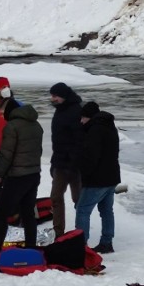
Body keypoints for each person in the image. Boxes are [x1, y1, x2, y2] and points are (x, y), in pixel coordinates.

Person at [0, 93, 43, 254]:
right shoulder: (36, 125)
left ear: (10, 111)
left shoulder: (12, 127)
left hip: (17, 177)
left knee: (1, 213)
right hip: (34, 174)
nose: (2, 115)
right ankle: (31, 248)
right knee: (28, 213)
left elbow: (7, 154)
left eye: (3, 112)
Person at [75, 101, 121, 254]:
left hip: (97, 179)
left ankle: (80, 246)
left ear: (89, 117)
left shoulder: (95, 130)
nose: (81, 121)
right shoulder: (109, 126)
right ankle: (107, 243)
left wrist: (83, 174)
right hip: (112, 177)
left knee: (82, 210)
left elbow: (91, 158)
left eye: (83, 118)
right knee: (107, 211)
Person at [48, 82, 83, 237]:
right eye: (52, 95)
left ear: (63, 96)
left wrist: (74, 162)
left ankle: (81, 232)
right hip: (60, 163)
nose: (52, 98)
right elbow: (57, 141)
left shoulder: (76, 111)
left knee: (79, 200)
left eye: (55, 96)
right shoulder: (59, 111)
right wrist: (54, 163)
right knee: (55, 197)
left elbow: (80, 140)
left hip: (75, 166)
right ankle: (58, 232)